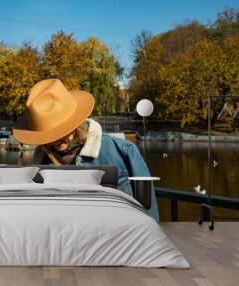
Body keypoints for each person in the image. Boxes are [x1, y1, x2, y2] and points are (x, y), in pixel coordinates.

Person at [13, 79, 159, 220]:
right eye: (49, 135)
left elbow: (149, 211)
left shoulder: (123, 151)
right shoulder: (39, 159)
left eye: (61, 132)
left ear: (75, 123)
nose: (55, 141)